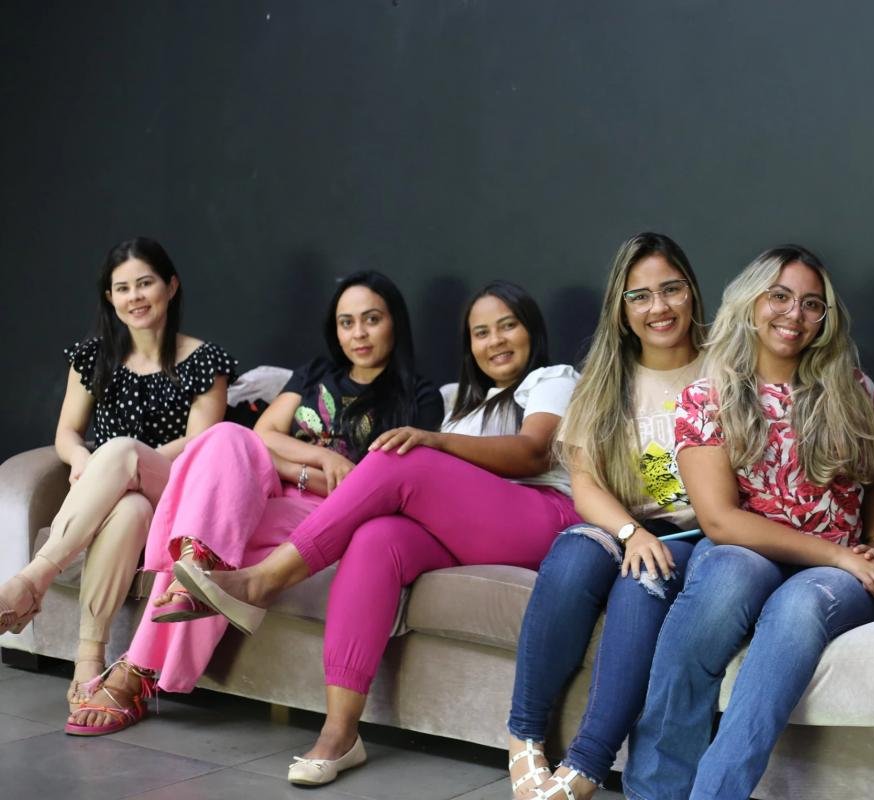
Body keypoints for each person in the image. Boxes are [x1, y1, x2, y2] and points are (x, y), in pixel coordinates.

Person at [173, 280, 582, 786]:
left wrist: (434, 442)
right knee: (376, 537)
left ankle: (264, 579)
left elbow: (533, 452)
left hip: (544, 517)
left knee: (399, 456)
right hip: (477, 530)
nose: (495, 341)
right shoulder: (467, 409)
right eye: (481, 333)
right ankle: (340, 733)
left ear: (531, 331)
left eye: (508, 326)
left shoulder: (552, 379)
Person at [63, 269, 442, 737]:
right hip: (275, 484)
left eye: (372, 319)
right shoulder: (316, 373)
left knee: (226, 530)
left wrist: (304, 471)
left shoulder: (420, 397)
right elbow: (264, 435)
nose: (358, 333)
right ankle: (194, 564)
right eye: (347, 322)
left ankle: (137, 669)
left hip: (331, 513)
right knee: (227, 435)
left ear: (394, 322)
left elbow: (383, 482)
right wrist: (320, 460)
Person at [624, 245, 874, 800]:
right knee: (726, 577)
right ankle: (655, 791)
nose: (794, 314)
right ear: (751, 302)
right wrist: (840, 554)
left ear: (825, 318)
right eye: (779, 296)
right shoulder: (706, 398)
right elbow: (720, 521)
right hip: (749, 552)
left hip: (831, 577)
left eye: (811, 304)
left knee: (799, 605)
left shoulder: (853, 390)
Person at [505, 233, 706, 799]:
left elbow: (797, 410)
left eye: (671, 289)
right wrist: (631, 531)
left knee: (644, 580)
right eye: (640, 296)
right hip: (623, 520)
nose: (659, 307)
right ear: (621, 308)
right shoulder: (603, 379)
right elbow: (586, 484)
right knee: (572, 555)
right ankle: (523, 734)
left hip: (699, 532)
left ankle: (588, 765)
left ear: (692, 292)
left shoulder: (729, 362)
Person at [0, 237, 234, 712]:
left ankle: (33, 579)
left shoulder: (205, 360)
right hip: (120, 498)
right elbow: (67, 432)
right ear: (110, 297)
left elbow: (200, 445)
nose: (135, 297)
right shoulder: (94, 356)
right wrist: (83, 461)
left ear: (171, 286)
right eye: (122, 288)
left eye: (145, 283)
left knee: (124, 453)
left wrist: (121, 460)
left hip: (178, 490)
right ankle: (89, 659)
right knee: (129, 507)